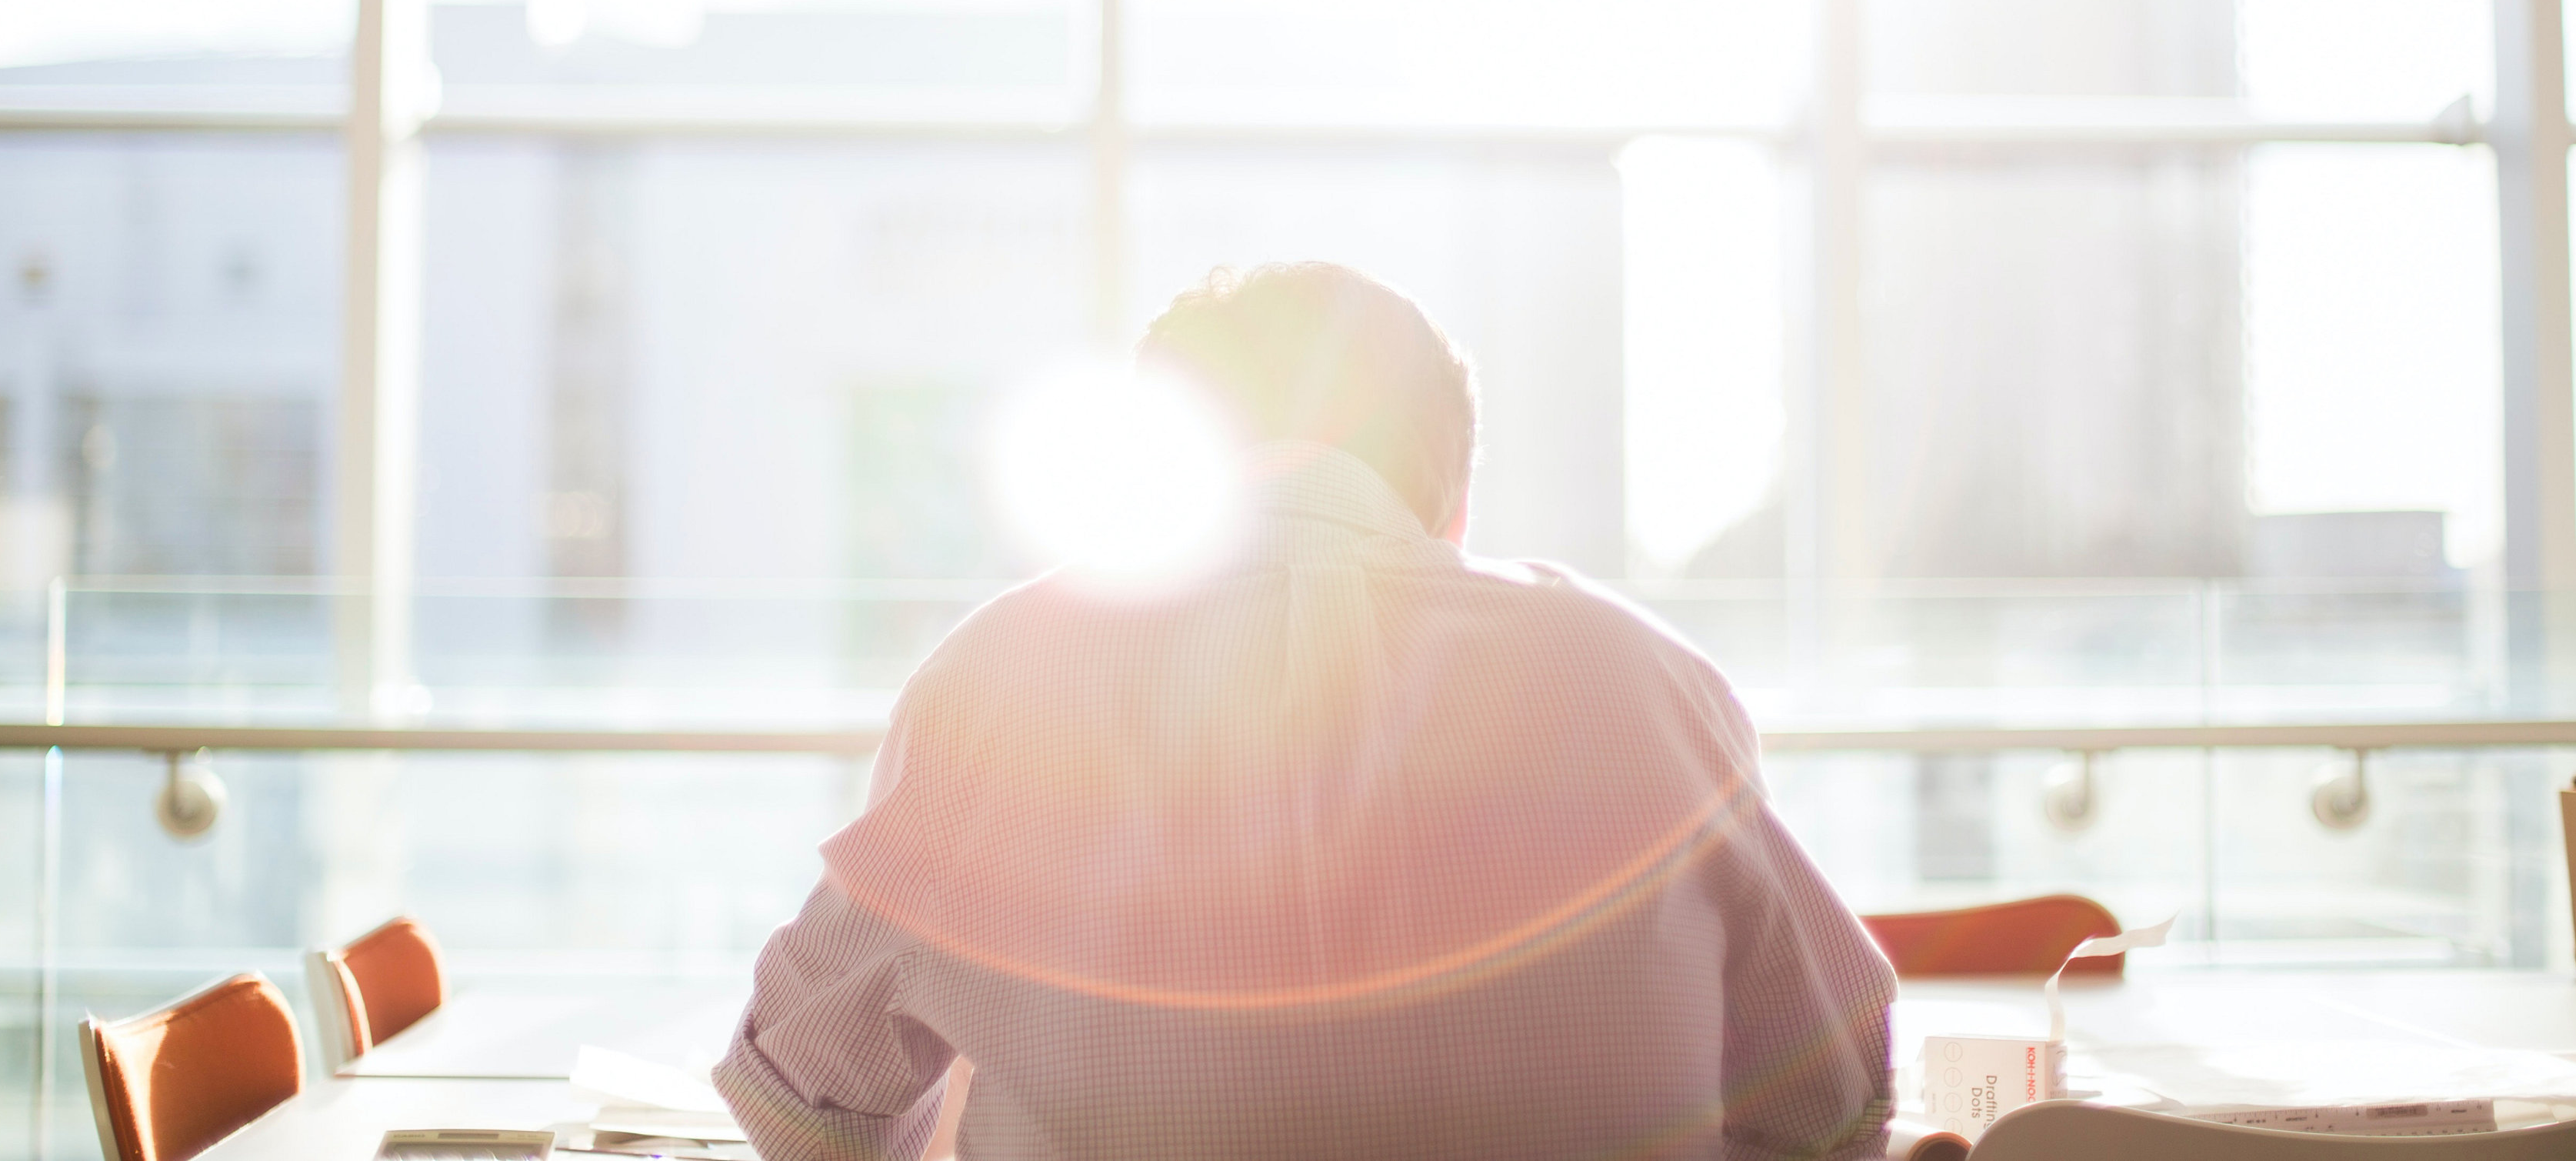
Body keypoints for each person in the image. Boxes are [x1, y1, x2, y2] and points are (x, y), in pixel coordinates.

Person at [716, 262, 1895, 1161]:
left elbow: (804, 1103)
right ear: (1454, 495)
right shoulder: (1646, 681)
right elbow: (1832, 1096)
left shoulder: (1004, 675)